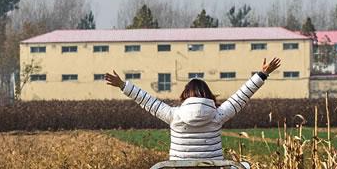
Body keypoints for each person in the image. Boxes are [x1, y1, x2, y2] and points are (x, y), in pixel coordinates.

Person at [105, 57, 281, 160]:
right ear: (208, 95)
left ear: (185, 95)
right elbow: (242, 96)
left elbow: (147, 101)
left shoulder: (174, 116)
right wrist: (262, 74)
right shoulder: (217, 115)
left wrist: (123, 85)